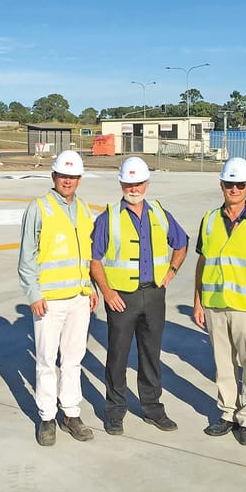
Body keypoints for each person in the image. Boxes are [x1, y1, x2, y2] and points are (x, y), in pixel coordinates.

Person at [89, 156, 188, 436]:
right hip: (122, 299)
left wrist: (171, 271)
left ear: (147, 184)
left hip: (154, 295)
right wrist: (107, 292)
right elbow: (94, 259)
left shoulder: (160, 213)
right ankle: (115, 411)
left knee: (151, 355)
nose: (134, 188)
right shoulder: (108, 217)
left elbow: (181, 243)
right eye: (129, 183)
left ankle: (153, 408)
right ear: (121, 184)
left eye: (139, 183)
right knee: (118, 356)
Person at [192, 158, 246, 446]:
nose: (234, 189)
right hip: (215, 305)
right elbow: (202, 262)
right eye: (230, 184)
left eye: (240, 184)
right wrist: (198, 301)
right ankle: (228, 412)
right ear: (221, 185)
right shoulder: (209, 220)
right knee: (223, 363)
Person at [18, 149, 98, 447]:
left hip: (79, 298)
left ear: (79, 179)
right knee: (46, 361)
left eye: (73, 176)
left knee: (74, 360)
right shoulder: (39, 208)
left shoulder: (84, 209)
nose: (68, 181)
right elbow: (26, 257)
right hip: (49, 301)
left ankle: (71, 414)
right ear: (53, 176)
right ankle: (47, 417)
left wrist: (90, 288)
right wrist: (33, 293)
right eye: (63, 175)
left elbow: (87, 255)